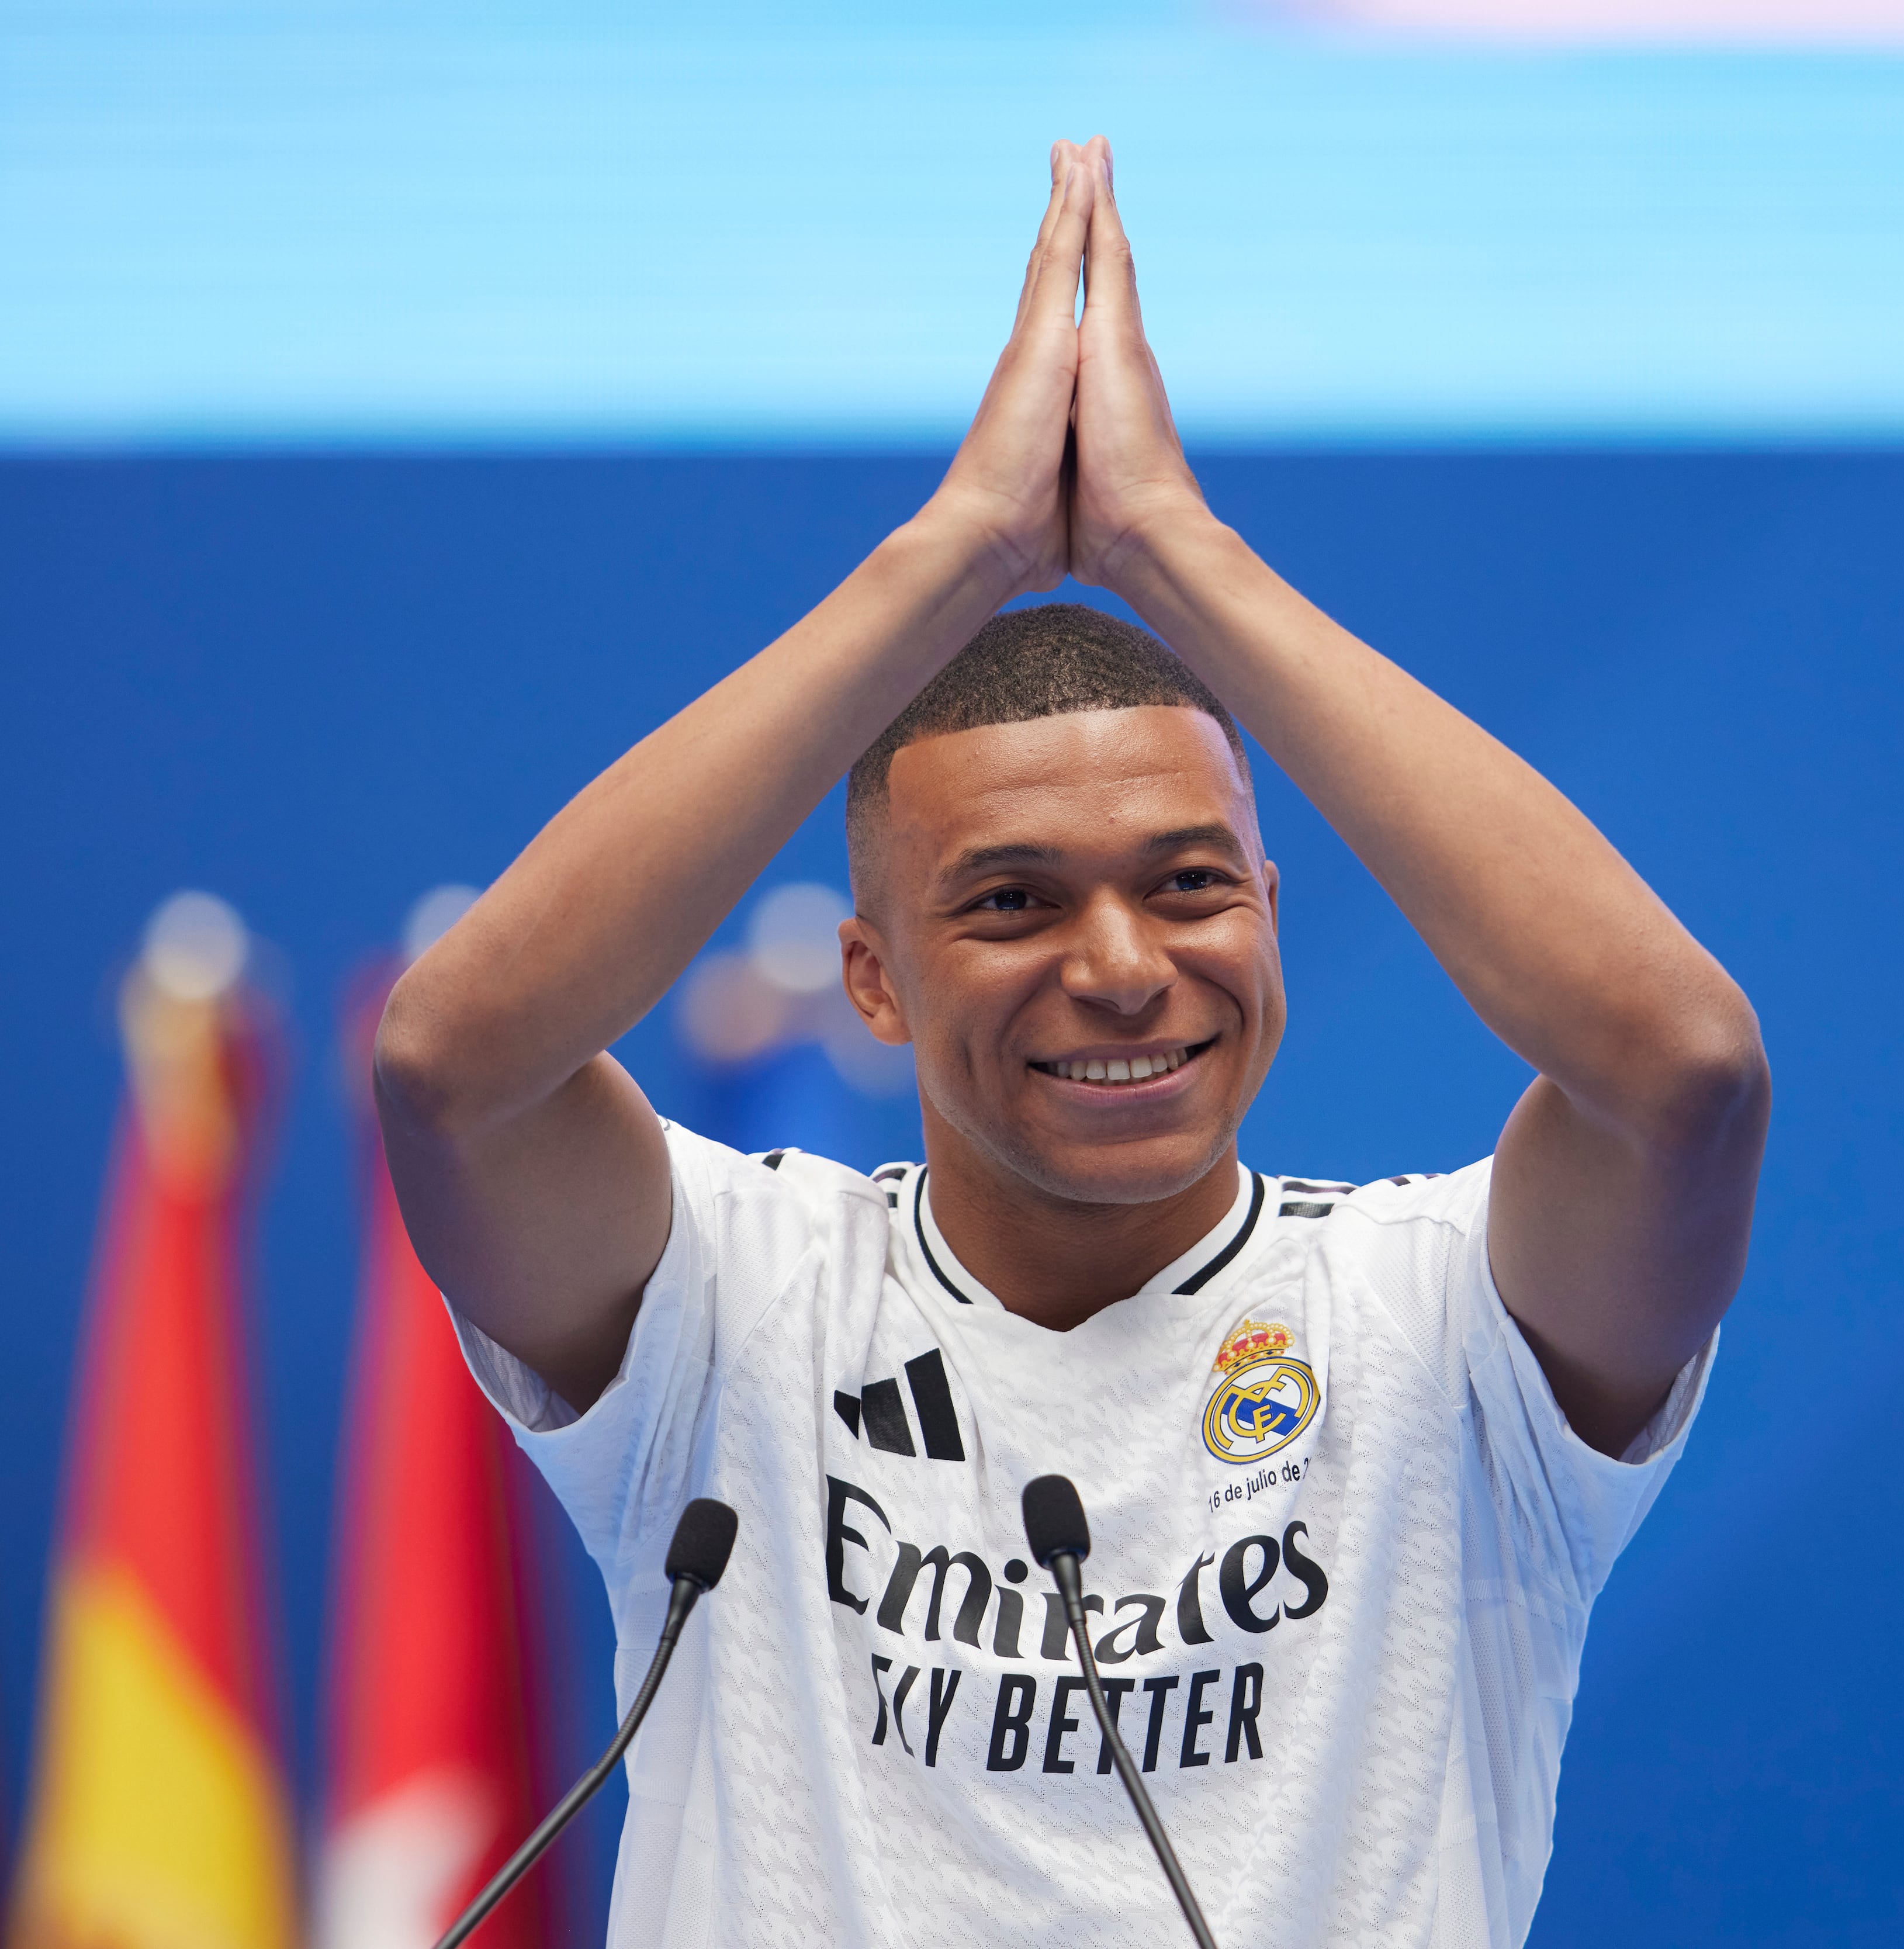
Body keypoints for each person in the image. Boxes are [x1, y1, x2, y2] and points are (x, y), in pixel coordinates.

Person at [376, 137, 1768, 1949]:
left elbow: (1685, 1075)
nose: (1122, 971)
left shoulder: (1446, 1323)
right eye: (1013, 904)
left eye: (1191, 885)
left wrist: (1174, 555)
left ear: (1272, 903)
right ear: (871, 983)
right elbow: (452, 1071)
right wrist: (955, 555)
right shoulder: (731, 1304)